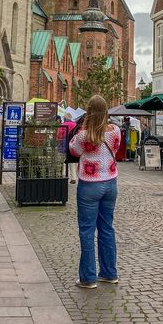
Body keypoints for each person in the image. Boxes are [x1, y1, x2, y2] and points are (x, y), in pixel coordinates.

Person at [69, 95, 121, 289]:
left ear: (89, 112)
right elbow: (116, 147)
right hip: (110, 184)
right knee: (107, 228)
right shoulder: (115, 130)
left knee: (87, 230)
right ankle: (109, 272)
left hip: (90, 185)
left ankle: (88, 277)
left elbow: (73, 150)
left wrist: (83, 127)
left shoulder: (84, 135)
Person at [60, 111, 79, 183]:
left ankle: (63, 176)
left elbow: (59, 135)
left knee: (63, 161)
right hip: (73, 145)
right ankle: (73, 177)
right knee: (72, 161)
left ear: (65, 118)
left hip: (64, 144)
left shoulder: (63, 124)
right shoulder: (75, 124)